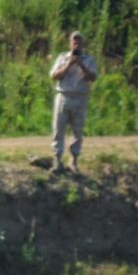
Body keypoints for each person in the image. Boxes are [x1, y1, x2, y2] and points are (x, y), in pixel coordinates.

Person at [48, 30, 99, 172]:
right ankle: (57, 159)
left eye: (79, 42)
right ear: (70, 43)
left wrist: (81, 65)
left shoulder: (89, 60)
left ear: (83, 44)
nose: (76, 45)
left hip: (80, 97)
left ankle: (74, 160)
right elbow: (54, 76)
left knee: (77, 130)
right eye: (74, 42)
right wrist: (69, 64)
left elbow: (93, 77)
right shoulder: (62, 57)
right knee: (58, 129)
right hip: (63, 96)